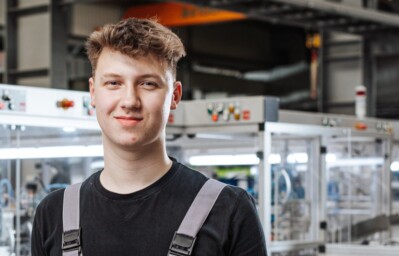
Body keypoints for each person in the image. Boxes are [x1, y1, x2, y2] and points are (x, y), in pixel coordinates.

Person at [31, 18, 267, 256]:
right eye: (114, 83)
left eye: (148, 83)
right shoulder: (54, 214)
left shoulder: (228, 210)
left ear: (174, 95)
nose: (130, 101)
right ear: (93, 92)